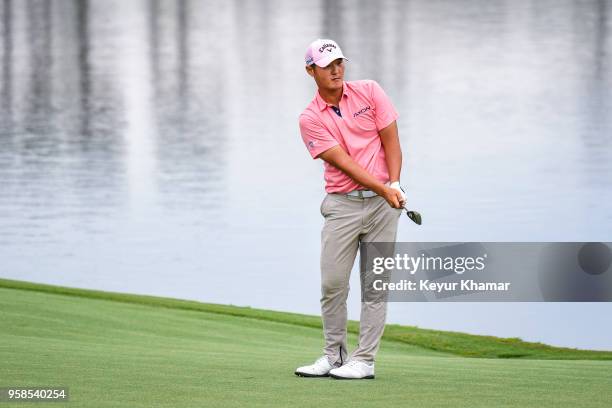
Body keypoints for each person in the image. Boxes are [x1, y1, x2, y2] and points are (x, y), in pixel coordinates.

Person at [295, 39, 406, 380]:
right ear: (311, 70)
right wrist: (385, 188)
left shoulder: (370, 91)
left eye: (340, 62)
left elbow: (391, 140)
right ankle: (335, 356)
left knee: (375, 287)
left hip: (382, 207)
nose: (336, 70)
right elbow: (343, 163)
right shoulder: (310, 118)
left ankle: (365, 361)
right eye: (328, 65)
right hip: (342, 206)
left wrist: (396, 184)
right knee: (332, 284)